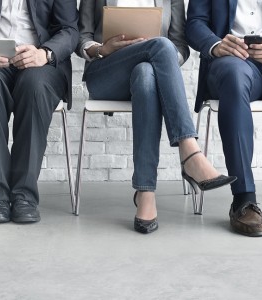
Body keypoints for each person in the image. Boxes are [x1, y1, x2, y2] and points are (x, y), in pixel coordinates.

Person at [76, 0, 236, 234]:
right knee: (160, 45)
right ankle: (190, 152)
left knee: (146, 74)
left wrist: (163, 62)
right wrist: (102, 49)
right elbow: (82, 37)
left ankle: (145, 192)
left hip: (151, 73)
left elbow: (180, 46)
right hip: (106, 72)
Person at [185, 0, 262, 236]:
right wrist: (216, 44)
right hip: (231, 62)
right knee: (234, 77)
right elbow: (195, 23)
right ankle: (244, 200)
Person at [0, 0, 79, 223]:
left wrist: (45, 53)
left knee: (34, 88)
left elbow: (70, 30)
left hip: (40, 61)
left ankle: (24, 196)